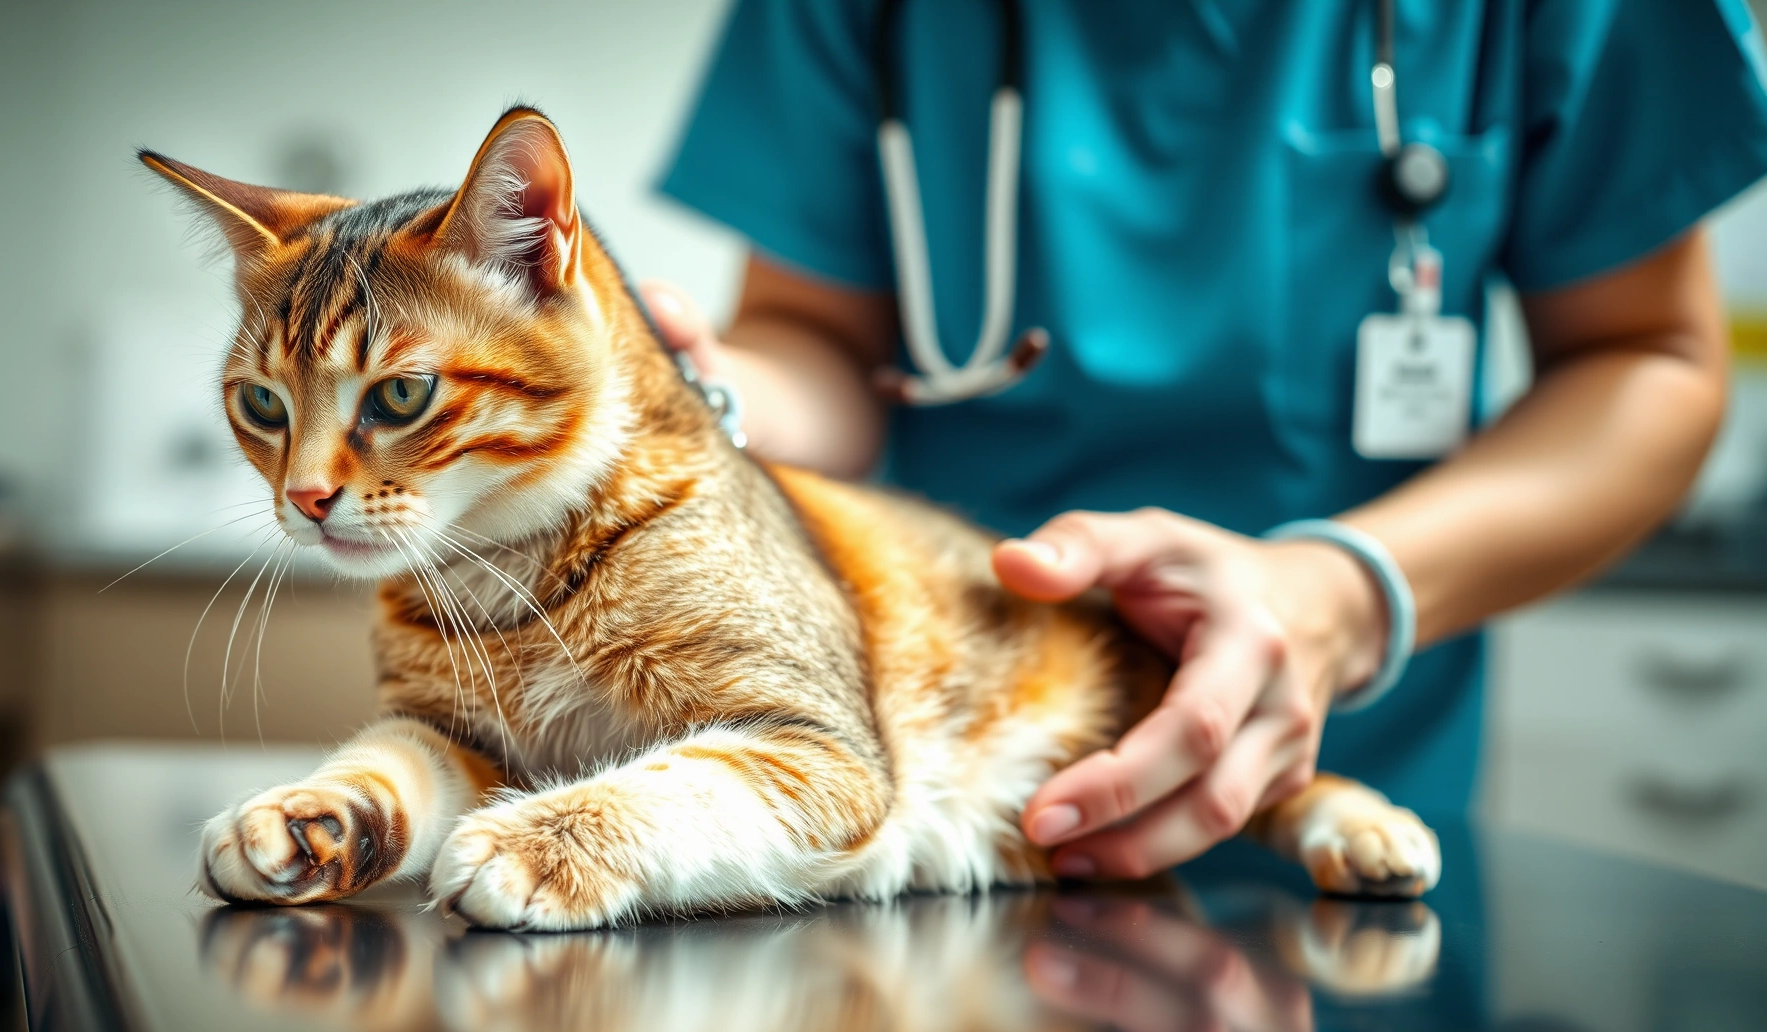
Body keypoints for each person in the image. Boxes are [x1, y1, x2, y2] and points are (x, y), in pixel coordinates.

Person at [642, 0, 1767, 881]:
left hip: (1354, 798)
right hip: (977, 779)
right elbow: (817, 342)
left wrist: (1342, 595)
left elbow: (1648, 363)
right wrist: (710, 401)